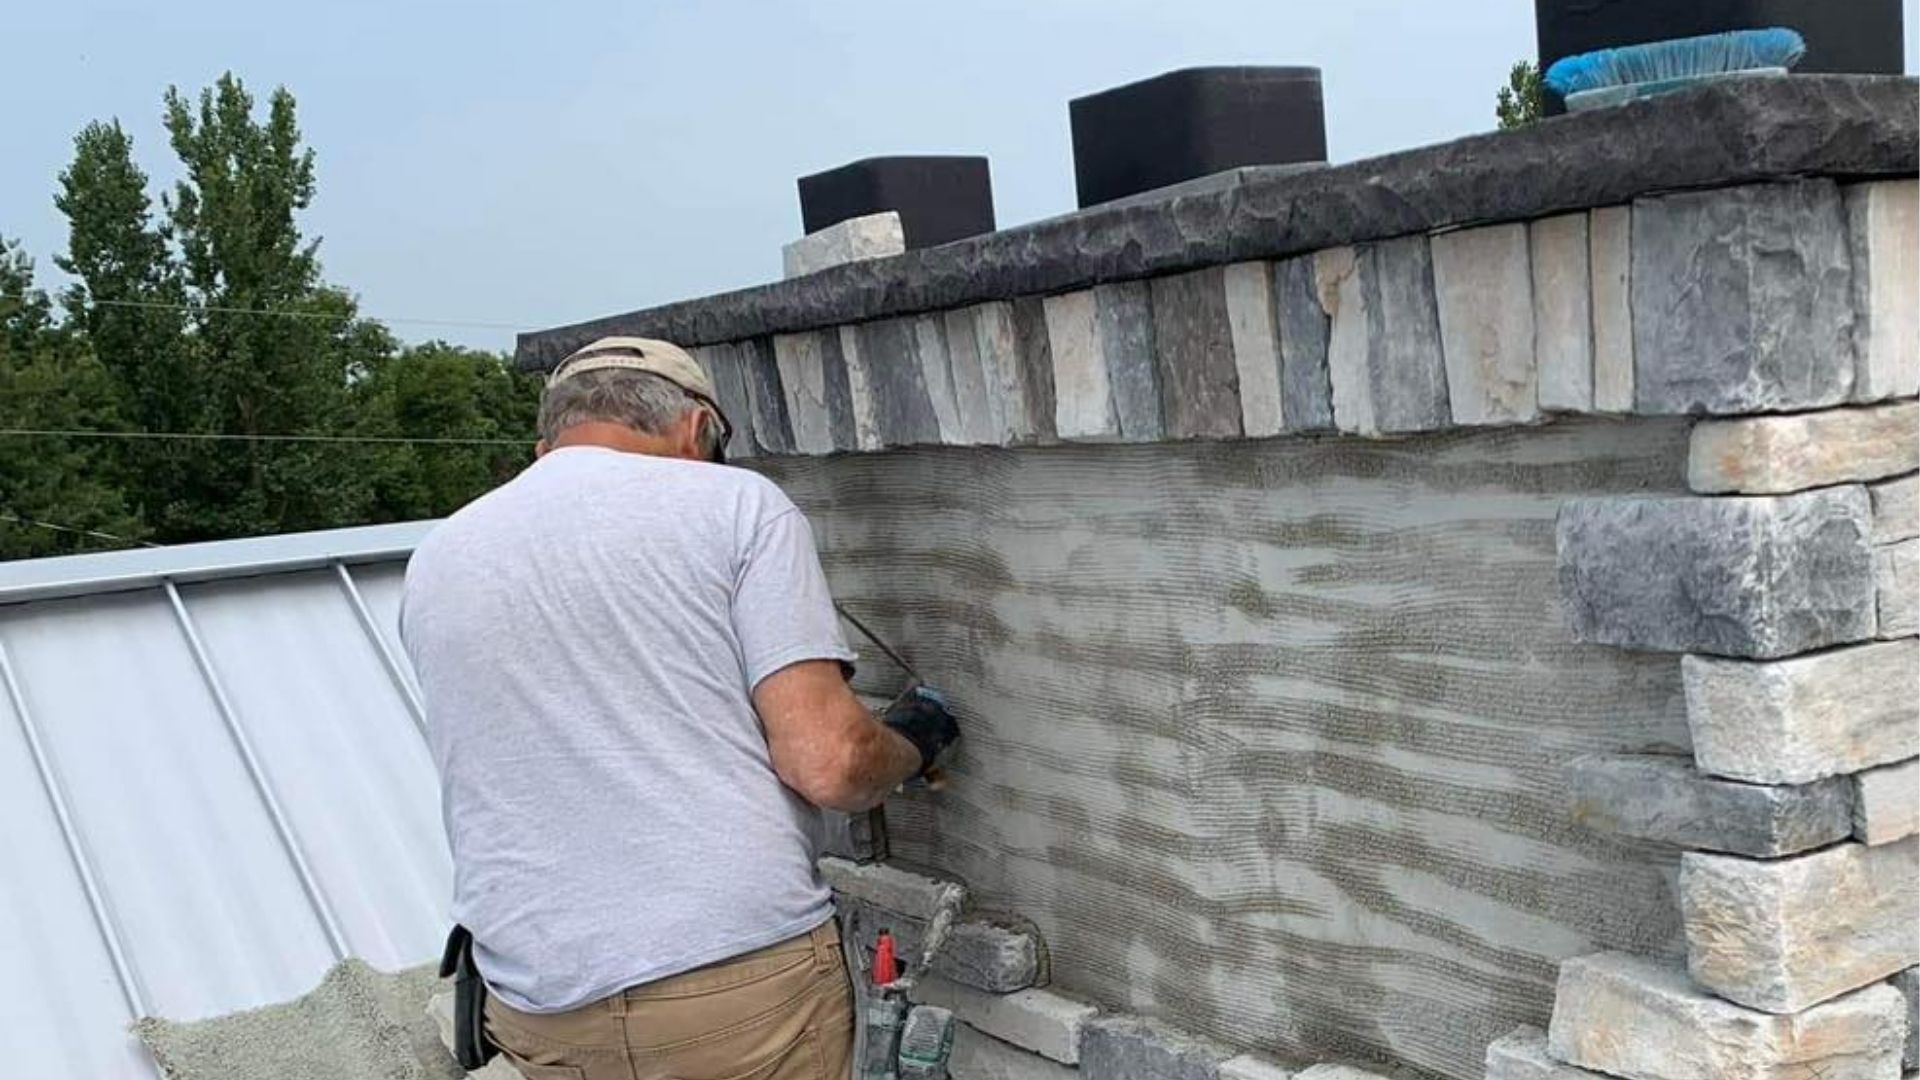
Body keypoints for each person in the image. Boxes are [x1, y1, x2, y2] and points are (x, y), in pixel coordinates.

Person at [400, 336, 958, 1080]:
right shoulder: (737, 507)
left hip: (537, 1005)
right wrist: (914, 740)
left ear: (547, 445)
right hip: (733, 991)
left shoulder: (440, 555)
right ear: (698, 431)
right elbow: (830, 763)